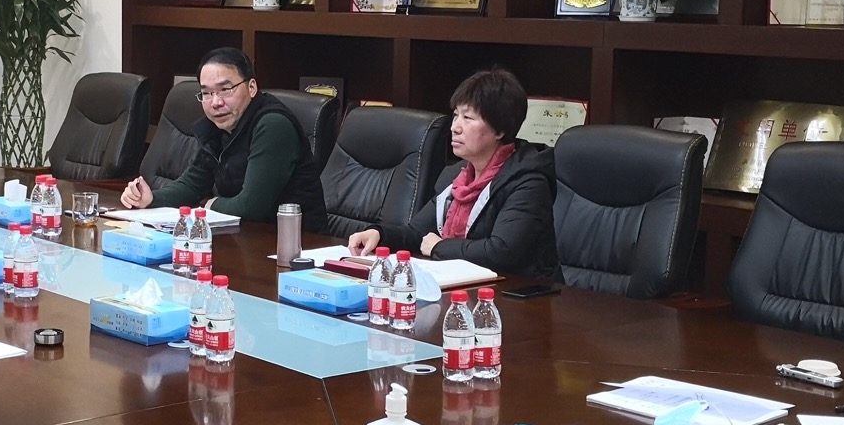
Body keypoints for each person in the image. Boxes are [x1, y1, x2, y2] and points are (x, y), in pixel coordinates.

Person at [343, 67, 556, 276]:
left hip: (519, 292)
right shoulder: (456, 176)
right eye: (456, 116)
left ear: (500, 130)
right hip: (463, 284)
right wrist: (379, 234)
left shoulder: (528, 181)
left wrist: (439, 247)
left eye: (468, 118)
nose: (455, 127)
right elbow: (418, 233)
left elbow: (501, 252)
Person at [120, 47, 325, 227]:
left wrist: (208, 205)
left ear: (252, 87)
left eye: (225, 90)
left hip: (298, 243)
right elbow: (193, 184)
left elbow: (252, 206)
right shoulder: (220, 125)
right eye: (206, 93)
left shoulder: (273, 125)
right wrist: (151, 199)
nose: (216, 102)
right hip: (247, 236)